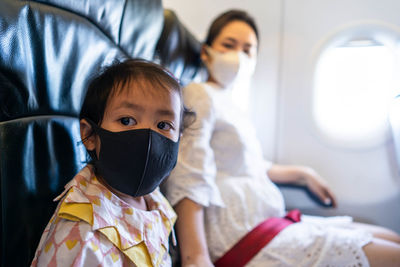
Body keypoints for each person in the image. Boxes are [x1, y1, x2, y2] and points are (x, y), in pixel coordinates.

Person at [162, 10, 400, 267]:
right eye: (229, 45)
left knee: (392, 238)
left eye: (247, 50)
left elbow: (242, 164)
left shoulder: (231, 104)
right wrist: (195, 257)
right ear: (207, 53)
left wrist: (302, 173)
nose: (238, 57)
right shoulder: (200, 93)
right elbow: (189, 171)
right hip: (237, 233)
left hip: (266, 220)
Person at [31, 59, 194, 267]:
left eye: (163, 125)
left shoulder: (154, 199)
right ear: (90, 135)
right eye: (127, 120)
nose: (149, 140)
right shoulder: (83, 233)